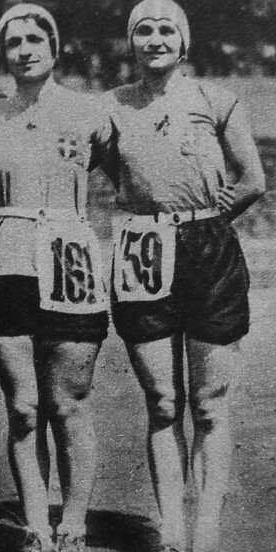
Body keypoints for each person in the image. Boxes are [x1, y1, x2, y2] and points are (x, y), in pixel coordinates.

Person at [104, 1, 265, 551]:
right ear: (132, 42)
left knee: (210, 403)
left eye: (165, 29)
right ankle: (171, 530)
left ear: (183, 40)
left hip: (207, 248)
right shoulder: (111, 107)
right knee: (163, 403)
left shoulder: (214, 99)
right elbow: (68, 153)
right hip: (142, 249)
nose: (154, 39)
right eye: (143, 30)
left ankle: (207, 533)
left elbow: (252, 180)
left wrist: (207, 223)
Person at [0, 5, 113, 551]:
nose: (26, 49)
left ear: (55, 47)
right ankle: (35, 523)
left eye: (36, 38)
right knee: (25, 406)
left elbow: (128, 163)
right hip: (7, 261)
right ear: (3, 52)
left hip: (71, 257)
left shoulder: (91, 111)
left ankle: (73, 523)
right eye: (15, 41)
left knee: (69, 402)